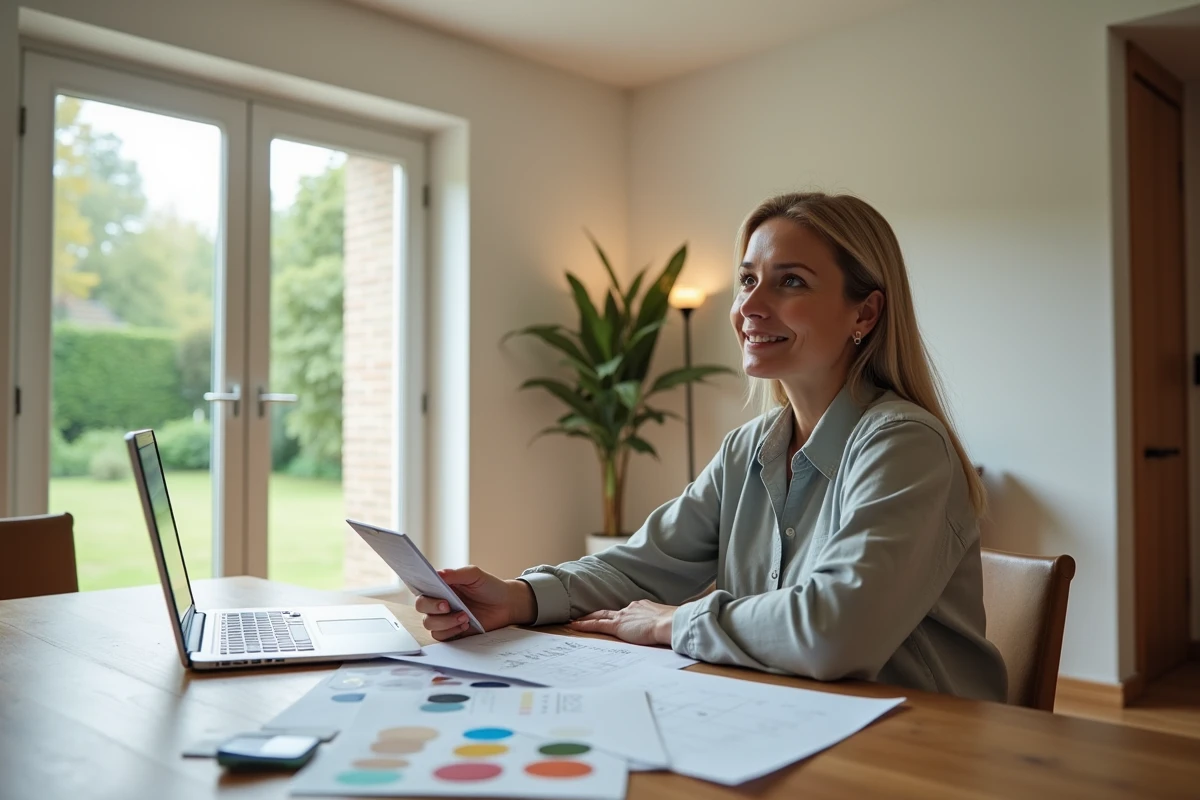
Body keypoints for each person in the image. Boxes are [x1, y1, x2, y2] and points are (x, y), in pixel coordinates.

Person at [417, 191, 1008, 703]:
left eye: (790, 281)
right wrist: (518, 598)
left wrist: (675, 622)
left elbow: (836, 632)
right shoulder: (749, 448)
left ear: (867, 311)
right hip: (789, 711)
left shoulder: (903, 444)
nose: (749, 306)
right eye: (749, 279)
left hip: (918, 743)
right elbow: (643, 564)